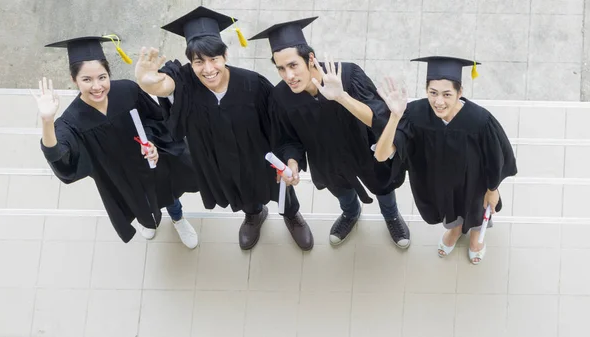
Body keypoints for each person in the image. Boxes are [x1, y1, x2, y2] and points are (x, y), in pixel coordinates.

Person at [134, 6, 314, 251]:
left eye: (213, 59)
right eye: (199, 62)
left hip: (258, 157)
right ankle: (253, 215)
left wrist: (288, 160)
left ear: (225, 56)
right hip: (218, 159)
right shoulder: (185, 81)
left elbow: (280, 127)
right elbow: (165, 85)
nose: (208, 69)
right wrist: (148, 83)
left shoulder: (253, 84)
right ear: (191, 62)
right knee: (238, 189)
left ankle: (292, 215)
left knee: (277, 185)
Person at [249, 18, 411, 248]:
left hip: (364, 150)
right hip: (326, 160)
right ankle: (351, 214)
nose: (288, 76)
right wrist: (292, 162)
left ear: (311, 58)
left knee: (383, 186)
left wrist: (341, 97)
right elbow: (288, 140)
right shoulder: (280, 98)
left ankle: (391, 216)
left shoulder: (348, 75)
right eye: (281, 68)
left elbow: (379, 119)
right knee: (342, 192)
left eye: (293, 65)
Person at [35, 35, 200, 248]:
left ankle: (178, 218)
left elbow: (157, 118)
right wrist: (47, 120)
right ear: (74, 79)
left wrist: (152, 144)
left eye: (102, 77)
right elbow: (58, 154)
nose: (97, 87)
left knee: (167, 193)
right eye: (87, 80)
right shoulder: (71, 121)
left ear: (108, 74)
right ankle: (146, 221)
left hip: (149, 164)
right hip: (117, 176)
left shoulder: (127, 90)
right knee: (136, 202)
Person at [372, 56, 517, 264]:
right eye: (433, 93)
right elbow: (381, 155)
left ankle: (476, 237)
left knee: (476, 210)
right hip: (437, 181)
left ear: (460, 92)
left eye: (447, 94)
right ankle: (455, 230)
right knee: (447, 209)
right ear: (426, 91)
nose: (439, 102)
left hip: (474, 184)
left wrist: (492, 189)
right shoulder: (415, 114)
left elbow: (496, 157)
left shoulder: (480, 120)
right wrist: (395, 116)